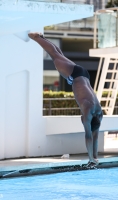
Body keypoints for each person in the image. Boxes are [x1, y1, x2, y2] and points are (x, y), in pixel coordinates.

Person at [28, 32, 103, 168]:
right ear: (85, 119)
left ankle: (42, 38)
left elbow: (95, 136)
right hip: (75, 76)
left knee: (59, 55)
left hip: (83, 75)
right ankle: (35, 37)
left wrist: (96, 158)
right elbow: (89, 136)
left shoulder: (99, 113)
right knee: (55, 55)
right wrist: (91, 159)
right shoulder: (88, 111)